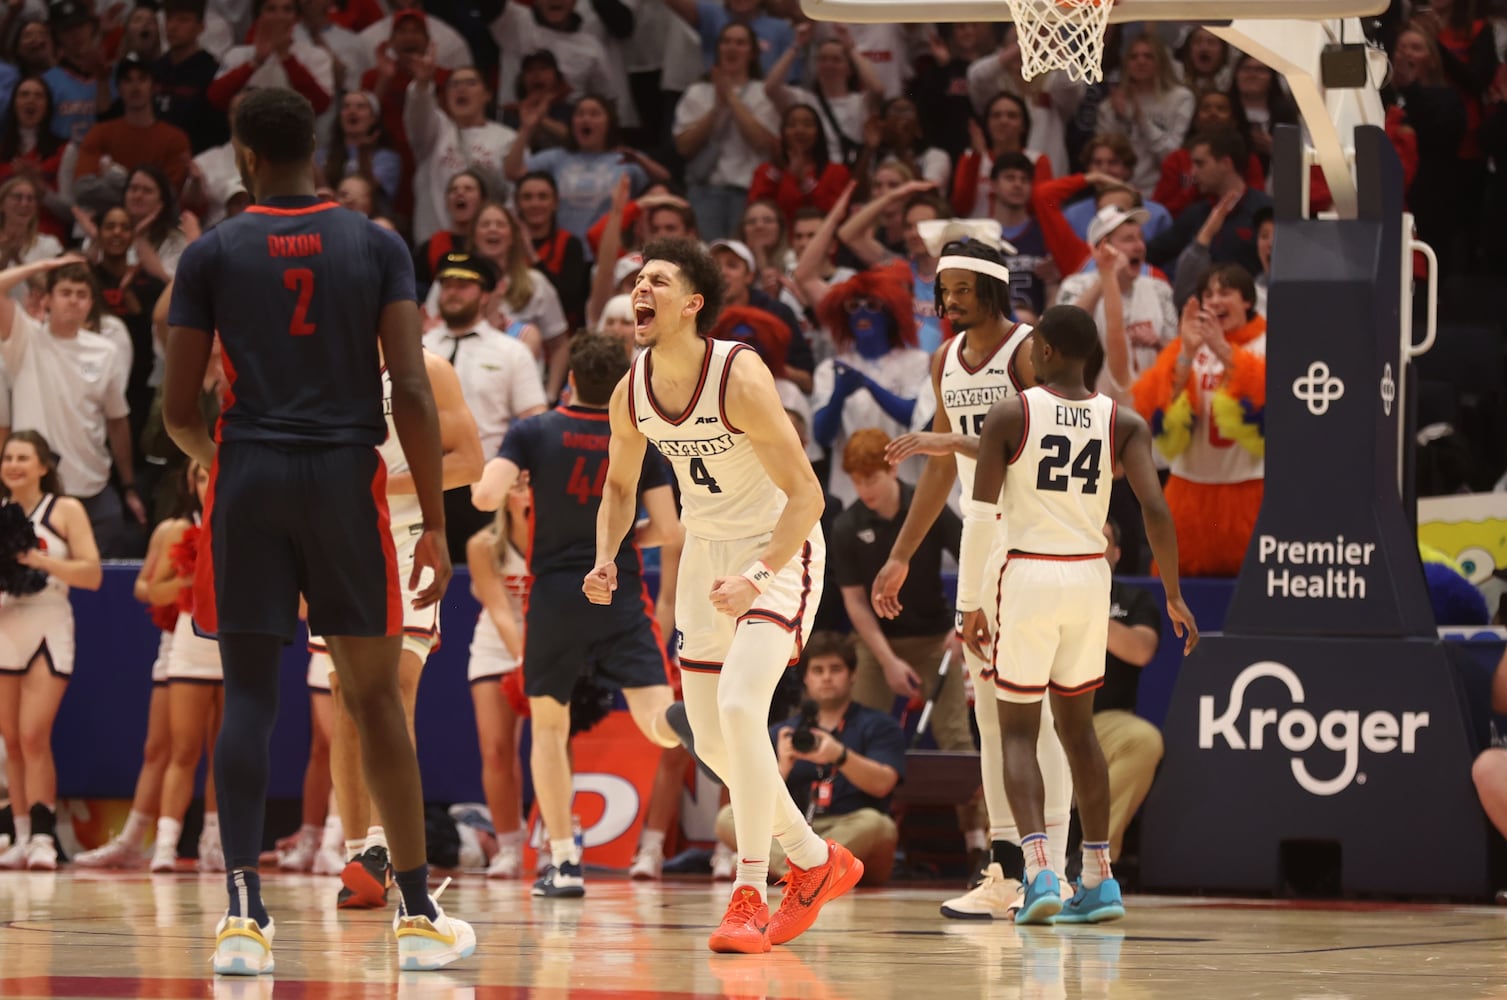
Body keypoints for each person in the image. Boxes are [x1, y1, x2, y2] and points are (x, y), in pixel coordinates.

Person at [163, 86, 473, 975]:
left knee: (252, 697)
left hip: (250, 479)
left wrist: (220, 465)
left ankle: (241, 918)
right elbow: (410, 388)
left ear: (242, 156)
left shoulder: (213, 251)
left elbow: (180, 407)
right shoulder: (375, 243)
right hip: (345, 479)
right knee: (374, 698)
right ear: (318, 146)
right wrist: (439, 527)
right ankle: (415, 914)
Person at [585, 237, 861, 955]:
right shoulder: (630, 390)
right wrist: (605, 556)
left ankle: (747, 891)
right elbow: (619, 487)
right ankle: (814, 860)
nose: (639, 290)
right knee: (705, 734)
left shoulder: (738, 376)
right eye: (635, 279)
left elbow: (806, 494)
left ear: (691, 304)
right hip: (707, 553)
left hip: (780, 546)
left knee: (742, 707)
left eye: (657, 280)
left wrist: (761, 573)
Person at [964, 303, 1198, 925]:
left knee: (1017, 730)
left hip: (1030, 572)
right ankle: (1099, 878)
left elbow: (981, 518)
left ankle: (1040, 871)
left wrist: (969, 604)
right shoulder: (1125, 421)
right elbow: (1156, 510)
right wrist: (1173, 594)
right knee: (1078, 731)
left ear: (1040, 350)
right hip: (1091, 576)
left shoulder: (1011, 411)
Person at [871, 230, 1072, 919]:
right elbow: (940, 467)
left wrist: (954, 441)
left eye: (961, 289)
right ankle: (1006, 870)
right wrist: (900, 553)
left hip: (1040, 539)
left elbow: (1049, 444)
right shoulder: (944, 361)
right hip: (983, 547)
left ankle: (1060, 871)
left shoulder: (1029, 350)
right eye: (942, 290)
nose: (949, 301)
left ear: (991, 287)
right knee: (990, 717)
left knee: (1039, 714)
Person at [470, 332, 683, 898]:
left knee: (549, 726)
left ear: (568, 381)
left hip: (557, 594)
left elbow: (486, 499)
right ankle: (684, 724)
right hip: (619, 585)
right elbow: (669, 529)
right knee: (656, 721)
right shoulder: (639, 437)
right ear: (621, 385)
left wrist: (486, 470)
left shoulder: (534, 432)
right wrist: (620, 536)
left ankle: (563, 861)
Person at [306, 344, 483, 908]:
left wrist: (379, 485)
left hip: (407, 542)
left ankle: (388, 848)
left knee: (395, 689)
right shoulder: (322, 363)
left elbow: (470, 462)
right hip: (336, 546)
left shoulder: (426, 369)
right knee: (344, 698)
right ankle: (359, 853)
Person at [716, 631, 905, 885]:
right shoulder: (783, 733)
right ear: (806, 677)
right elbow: (752, 800)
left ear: (852, 675)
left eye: (835, 669)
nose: (826, 677)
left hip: (848, 827)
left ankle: (800, 874)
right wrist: (782, 767)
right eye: (818, 670)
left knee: (878, 825)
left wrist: (840, 755)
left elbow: (883, 784)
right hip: (794, 832)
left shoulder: (879, 725)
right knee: (728, 816)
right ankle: (812, 877)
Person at [0, 430, 102, 869]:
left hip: (50, 621)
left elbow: (92, 573)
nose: (14, 464)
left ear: (44, 466)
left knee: (32, 734)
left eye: (24, 457)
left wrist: (39, 561)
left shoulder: (65, 509)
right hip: (7, 621)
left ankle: (44, 835)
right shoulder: (1, 513)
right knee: (10, 740)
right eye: (8, 457)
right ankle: (21, 835)